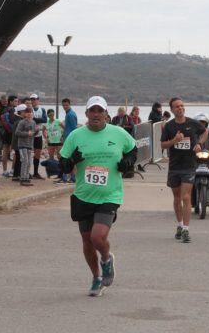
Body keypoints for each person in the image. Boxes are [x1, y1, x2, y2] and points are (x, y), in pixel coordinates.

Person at [59, 96, 137, 296]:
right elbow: (64, 164)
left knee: (97, 236)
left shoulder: (119, 133)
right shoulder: (76, 136)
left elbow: (133, 150)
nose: (95, 114)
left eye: (99, 111)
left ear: (106, 115)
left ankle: (106, 259)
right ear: (86, 114)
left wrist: (127, 163)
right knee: (87, 241)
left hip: (109, 194)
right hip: (83, 195)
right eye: (92, 111)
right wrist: (71, 162)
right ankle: (96, 277)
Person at [160, 97, 206, 243]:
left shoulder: (192, 123)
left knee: (186, 197)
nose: (180, 108)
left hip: (189, 165)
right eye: (177, 107)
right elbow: (162, 145)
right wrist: (174, 141)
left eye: (182, 106)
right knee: (177, 198)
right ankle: (179, 225)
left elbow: (205, 132)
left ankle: (186, 229)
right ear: (172, 110)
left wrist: (199, 143)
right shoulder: (169, 126)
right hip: (174, 166)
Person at [15, 107, 37, 186]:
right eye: (27, 112)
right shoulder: (22, 122)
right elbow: (17, 133)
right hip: (22, 144)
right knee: (25, 161)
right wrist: (27, 133)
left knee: (29, 162)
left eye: (31, 112)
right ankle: (23, 178)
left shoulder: (33, 122)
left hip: (30, 145)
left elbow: (34, 133)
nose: (29, 114)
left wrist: (37, 131)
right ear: (25, 114)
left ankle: (27, 177)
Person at [60, 98, 79, 183]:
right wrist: (62, 135)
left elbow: (74, 128)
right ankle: (70, 177)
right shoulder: (68, 113)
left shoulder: (70, 114)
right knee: (68, 158)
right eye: (63, 105)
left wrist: (72, 139)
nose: (65, 107)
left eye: (66, 105)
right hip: (67, 138)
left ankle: (69, 177)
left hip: (70, 140)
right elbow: (67, 128)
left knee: (66, 157)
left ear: (69, 104)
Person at [30, 93, 48, 179]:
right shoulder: (29, 109)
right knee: (28, 154)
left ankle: (35, 172)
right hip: (30, 135)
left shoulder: (42, 109)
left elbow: (44, 119)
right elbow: (29, 119)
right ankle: (26, 172)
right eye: (32, 99)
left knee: (37, 154)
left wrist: (34, 119)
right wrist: (37, 120)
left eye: (34, 99)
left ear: (38, 100)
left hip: (39, 134)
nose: (33, 101)